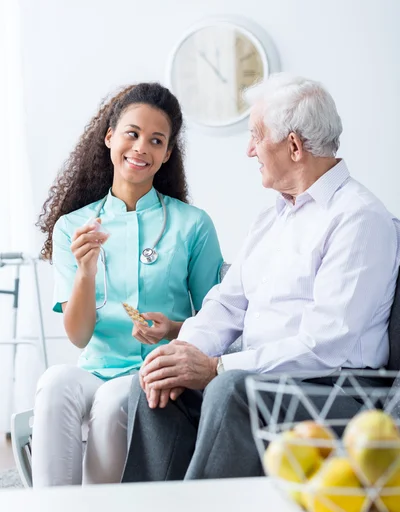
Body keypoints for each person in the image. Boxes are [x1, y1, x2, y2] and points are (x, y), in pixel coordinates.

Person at [121, 73, 400, 483]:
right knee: (155, 384)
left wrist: (217, 368)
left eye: (256, 135)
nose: (249, 149)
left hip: (339, 389)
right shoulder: (272, 218)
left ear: (293, 146)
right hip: (260, 377)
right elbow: (227, 304)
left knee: (229, 389)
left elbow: (327, 346)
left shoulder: (359, 220)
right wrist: (182, 353)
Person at [32, 82, 223, 487]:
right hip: (96, 367)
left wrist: (172, 329)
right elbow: (79, 336)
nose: (141, 148)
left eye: (156, 140)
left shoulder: (193, 224)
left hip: (153, 372)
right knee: (54, 383)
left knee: (115, 399)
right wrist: (85, 269)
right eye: (132, 134)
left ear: (167, 154)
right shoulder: (74, 227)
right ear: (110, 137)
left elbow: (218, 320)